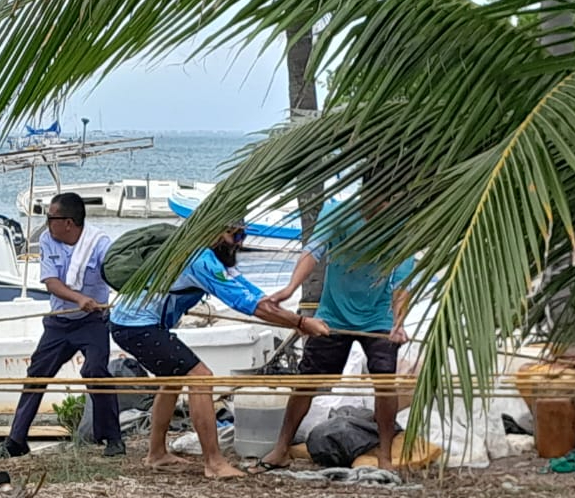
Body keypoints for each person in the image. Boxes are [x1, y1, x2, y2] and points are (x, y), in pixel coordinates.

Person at [109, 223, 330, 478]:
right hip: (135, 326)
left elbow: (249, 292)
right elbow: (245, 303)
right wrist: (300, 322)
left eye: (242, 235)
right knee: (200, 377)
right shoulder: (200, 259)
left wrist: (288, 312)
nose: (239, 241)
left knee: (172, 379)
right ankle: (213, 463)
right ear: (214, 232)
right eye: (234, 235)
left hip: (141, 324)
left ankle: (156, 453)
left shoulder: (215, 258)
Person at [254, 199, 416, 473]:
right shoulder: (338, 211)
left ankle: (385, 456)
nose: (383, 209)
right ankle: (281, 448)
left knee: (385, 382)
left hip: (379, 316)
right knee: (308, 381)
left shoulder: (403, 227)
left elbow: (401, 283)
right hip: (333, 313)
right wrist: (290, 288)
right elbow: (313, 250)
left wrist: (398, 323)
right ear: (369, 193)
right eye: (379, 202)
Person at [0, 192, 124, 459]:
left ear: (69, 222)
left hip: (92, 321)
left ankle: (113, 439)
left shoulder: (99, 244)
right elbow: (50, 282)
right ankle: (16, 440)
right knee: (37, 374)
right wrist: (79, 298)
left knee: (96, 372)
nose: (47, 223)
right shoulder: (49, 240)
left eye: (51, 218)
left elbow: (118, 272)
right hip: (59, 322)